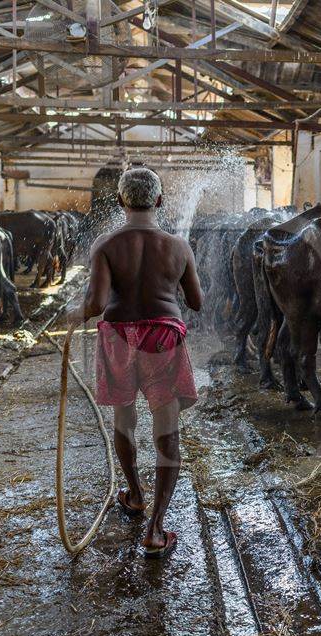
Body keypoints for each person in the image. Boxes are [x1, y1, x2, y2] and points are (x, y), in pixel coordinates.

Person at [68, 167, 203, 559]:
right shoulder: (177, 246)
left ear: (122, 201)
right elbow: (196, 303)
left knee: (123, 421)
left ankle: (136, 494)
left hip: (119, 339)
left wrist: (74, 313)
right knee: (167, 428)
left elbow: (94, 306)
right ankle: (157, 528)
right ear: (159, 201)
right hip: (162, 339)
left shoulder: (105, 245)